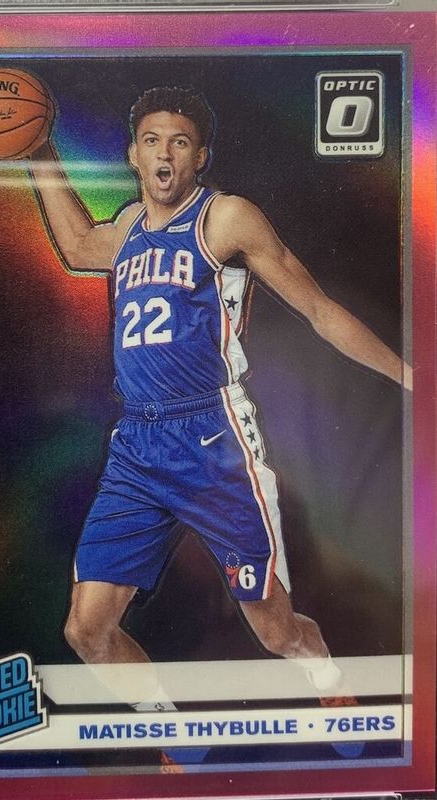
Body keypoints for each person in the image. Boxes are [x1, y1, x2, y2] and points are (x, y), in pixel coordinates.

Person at [28, 86, 410, 707]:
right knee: (87, 630)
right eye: (152, 141)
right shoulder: (127, 228)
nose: (164, 154)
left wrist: (408, 376)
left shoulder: (224, 217)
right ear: (133, 155)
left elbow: (317, 310)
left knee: (276, 632)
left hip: (213, 438)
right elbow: (76, 247)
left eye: (179, 142)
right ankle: (164, 725)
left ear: (200, 156)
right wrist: (39, 150)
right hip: (138, 445)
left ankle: (325, 674)